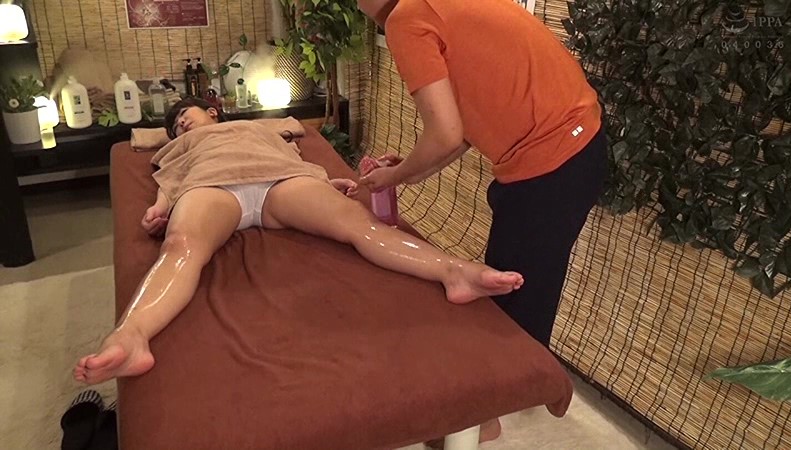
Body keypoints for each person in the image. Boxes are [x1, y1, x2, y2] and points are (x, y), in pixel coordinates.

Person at [73, 98, 524, 385]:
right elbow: (171, 180)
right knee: (181, 247)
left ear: (212, 111)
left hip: (282, 182)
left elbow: (294, 151)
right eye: (175, 126)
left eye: (185, 117)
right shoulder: (177, 147)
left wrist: (326, 180)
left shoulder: (261, 128)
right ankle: (132, 335)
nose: (181, 126)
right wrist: (160, 207)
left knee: (361, 225)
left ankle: (454, 271)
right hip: (212, 188)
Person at [356, 0, 608, 442]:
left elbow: (446, 134)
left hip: (553, 160)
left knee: (512, 294)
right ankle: (501, 400)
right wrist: (408, 170)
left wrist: (394, 177)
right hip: (578, 147)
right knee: (520, 285)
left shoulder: (407, 18)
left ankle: (486, 419)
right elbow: (463, 128)